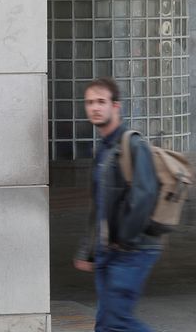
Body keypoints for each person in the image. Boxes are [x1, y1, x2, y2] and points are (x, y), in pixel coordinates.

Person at [74, 77, 162, 332]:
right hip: (108, 251)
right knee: (105, 324)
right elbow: (98, 206)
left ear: (116, 106)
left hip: (132, 250)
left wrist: (122, 240)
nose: (95, 108)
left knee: (116, 322)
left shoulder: (132, 144)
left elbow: (144, 196)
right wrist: (88, 250)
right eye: (90, 102)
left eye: (101, 101)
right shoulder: (102, 150)